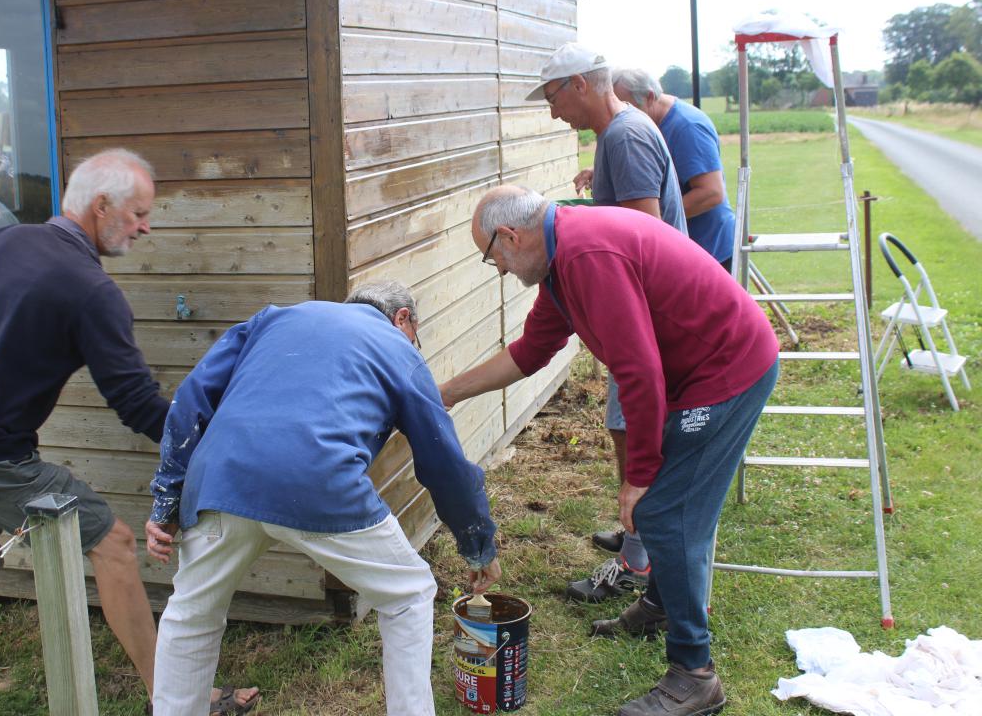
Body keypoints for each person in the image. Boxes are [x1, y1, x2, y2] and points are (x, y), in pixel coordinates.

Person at [0, 149, 256, 716]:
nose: (146, 227)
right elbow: (136, 404)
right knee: (115, 544)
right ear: (101, 207)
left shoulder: (4, 241)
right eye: (139, 214)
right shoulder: (91, 290)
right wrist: (215, 450)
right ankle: (175, 701)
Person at [439, 186, 778, 716]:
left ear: (512, 236)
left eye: (493, 256)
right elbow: (529, 353)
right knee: (664, 508)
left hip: (727, 369)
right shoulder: (559, 264)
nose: (499, 268)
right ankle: (660, 607)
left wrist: (638, 475)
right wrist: (448, 393)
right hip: (693, 374)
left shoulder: (587, 254)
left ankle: (695, 673)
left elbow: (638, 371)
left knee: (666, 514)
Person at [146, 281, 502, 716]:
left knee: (191, 615)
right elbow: (441, 457)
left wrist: (166, 504)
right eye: (416, 336)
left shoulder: (273, 318)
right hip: (316, 480)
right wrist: (478, 544)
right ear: (403, 318)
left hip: (220, 481)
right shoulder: (394, 344)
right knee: (408, 594)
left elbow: (190, 400)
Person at [530, 42, 688, 603]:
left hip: (645, 311)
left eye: (553, 97)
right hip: (639, 307)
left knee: (637, 431)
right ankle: (636, 538)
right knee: (626, 425)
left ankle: (639, 562)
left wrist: (573, 223)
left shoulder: (625, 135)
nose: (553, 113)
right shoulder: (616, 137)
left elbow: (644, 234)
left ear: (580, 84)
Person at [612, 68, 736, 271]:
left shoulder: (687, 127)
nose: (623, 115)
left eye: (628, 107)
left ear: (649, 97)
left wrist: (653, 220)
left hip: (707, 250)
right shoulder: (648, 124)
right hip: (682, 246)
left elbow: (711, 193)